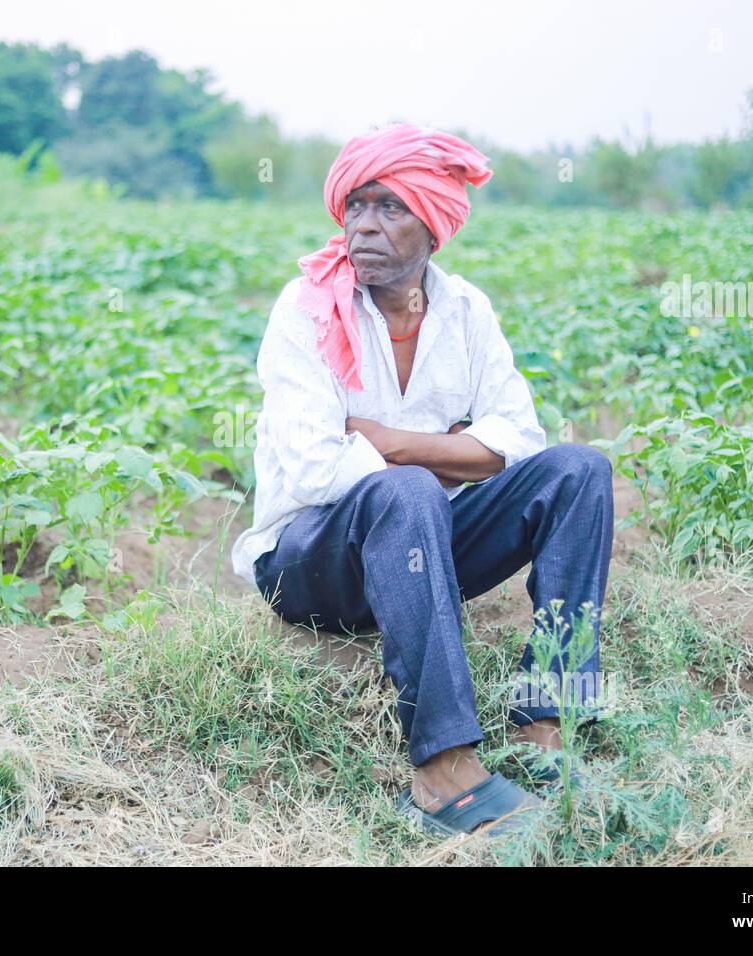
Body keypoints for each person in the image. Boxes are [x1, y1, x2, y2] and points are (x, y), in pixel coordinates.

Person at [230, 124, 614, 836]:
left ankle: (544, 721)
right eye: (356, 206)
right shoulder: (306, 309)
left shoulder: (464, 310)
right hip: (310, 563)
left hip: (419, 549)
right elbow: (317, 469)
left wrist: (391, 441)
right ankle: (443, 768)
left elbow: (519, 439)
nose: (364, 227)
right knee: (404, 494)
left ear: (433, 227)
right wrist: (446, 456)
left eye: (390, 208)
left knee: (579, 472)